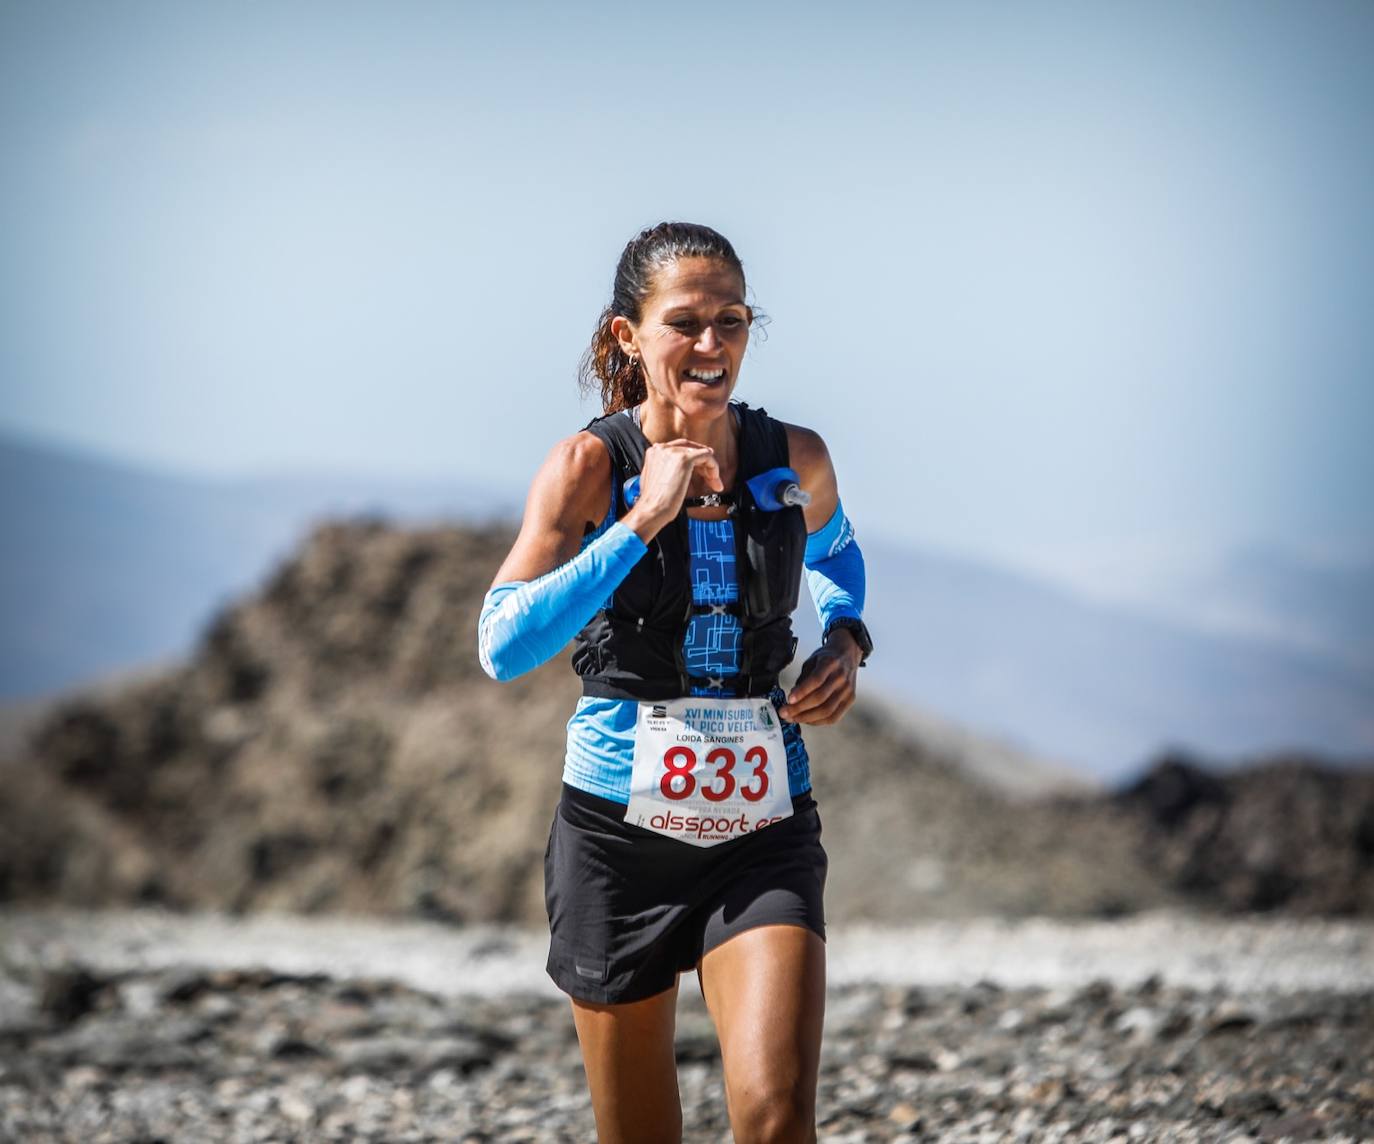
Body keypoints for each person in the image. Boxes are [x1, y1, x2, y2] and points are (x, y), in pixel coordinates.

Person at [477, 221, 872, 1144]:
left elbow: (841, 557)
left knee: (776, 1121)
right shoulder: (586, 467)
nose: (711, 346)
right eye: (684, 323)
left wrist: (847, 638)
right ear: (628, 336)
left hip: (763, 830)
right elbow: (501, 643)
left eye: (731, 321)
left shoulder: (793, 456)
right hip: (617, 841)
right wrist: (638, 524)